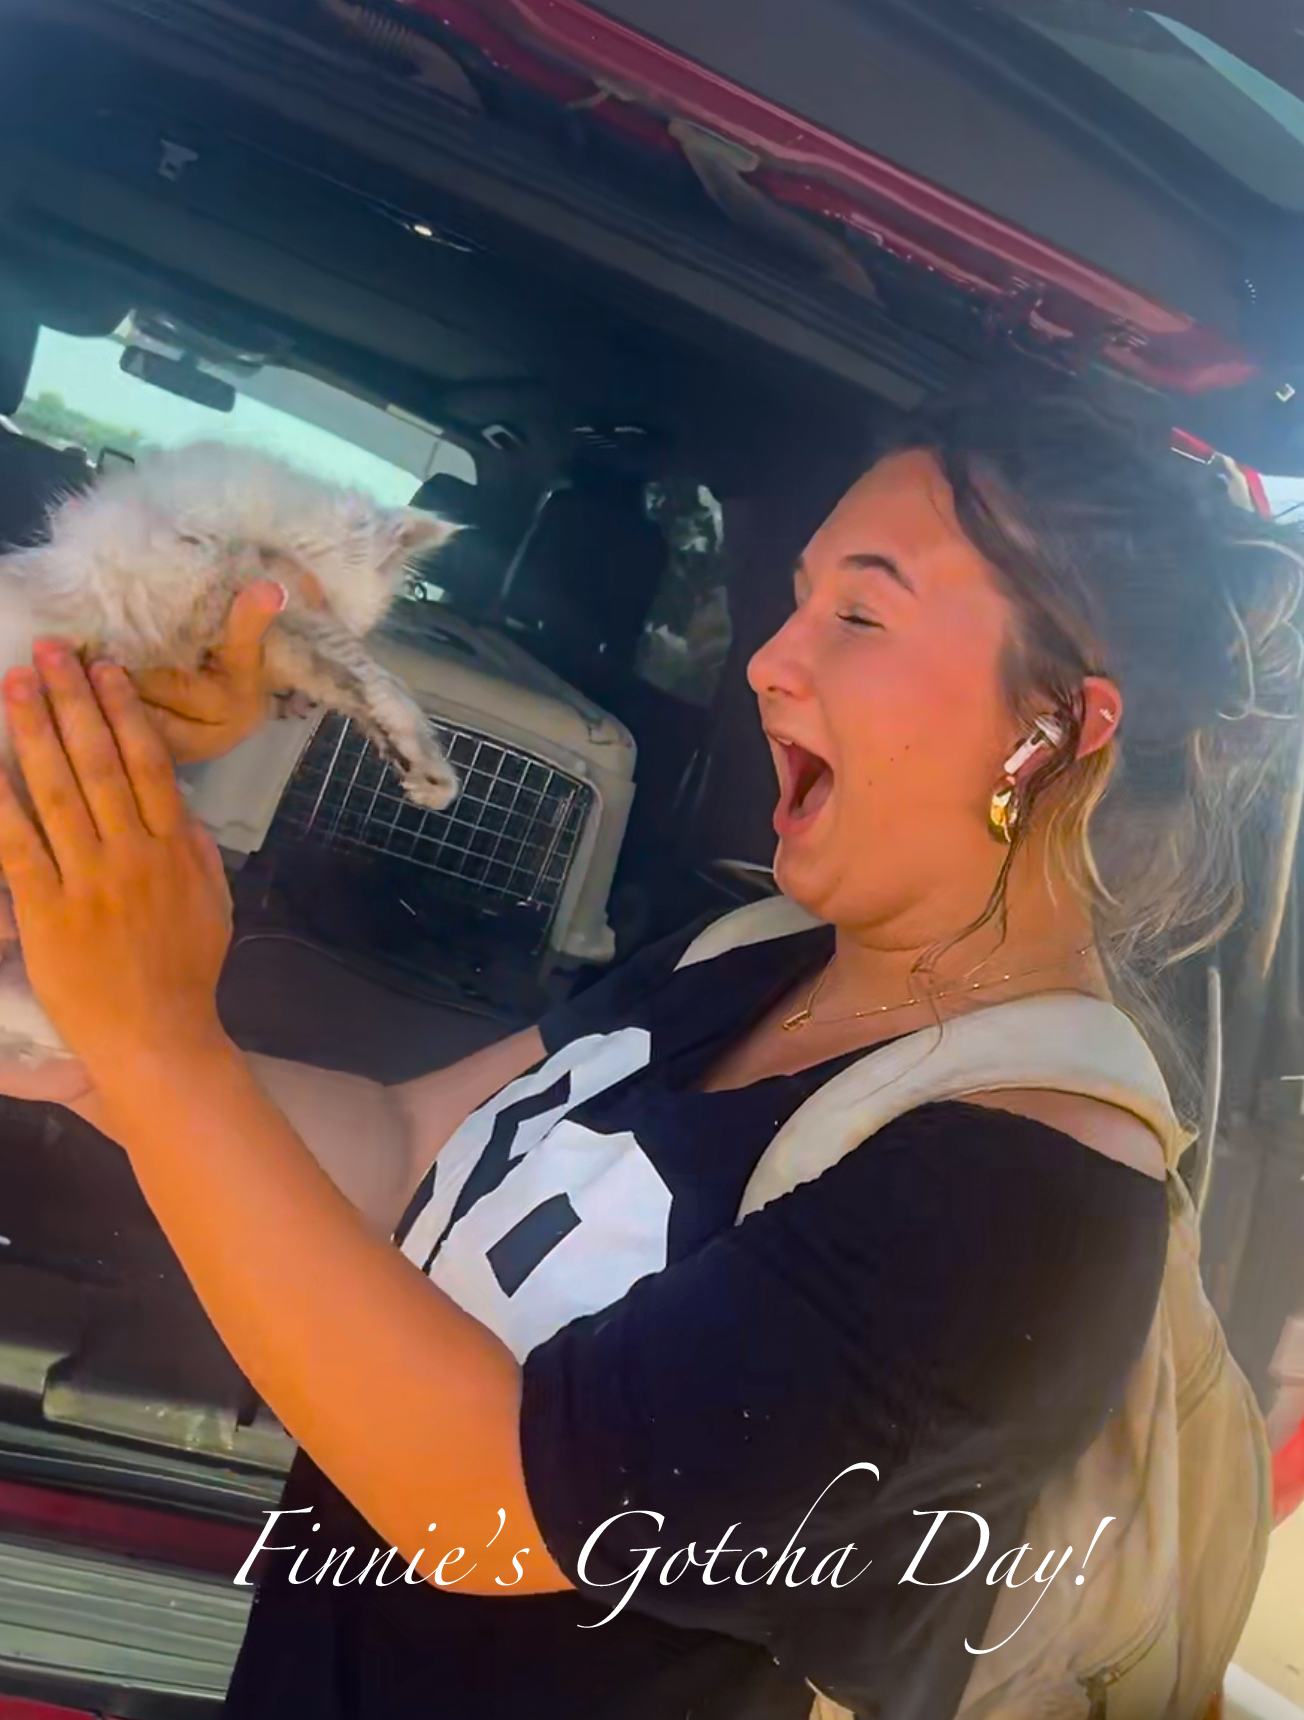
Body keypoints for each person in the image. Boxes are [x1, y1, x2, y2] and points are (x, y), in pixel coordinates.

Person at [0, 377, 1295, 1720]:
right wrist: (74, 1034)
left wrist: (164, 1051)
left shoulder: (1031, 1199)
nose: (768, 658)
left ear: (1063, 731)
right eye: (794, 598)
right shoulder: (747, 957)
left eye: (860, 612)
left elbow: (490, 1501)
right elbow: (399, 1149)